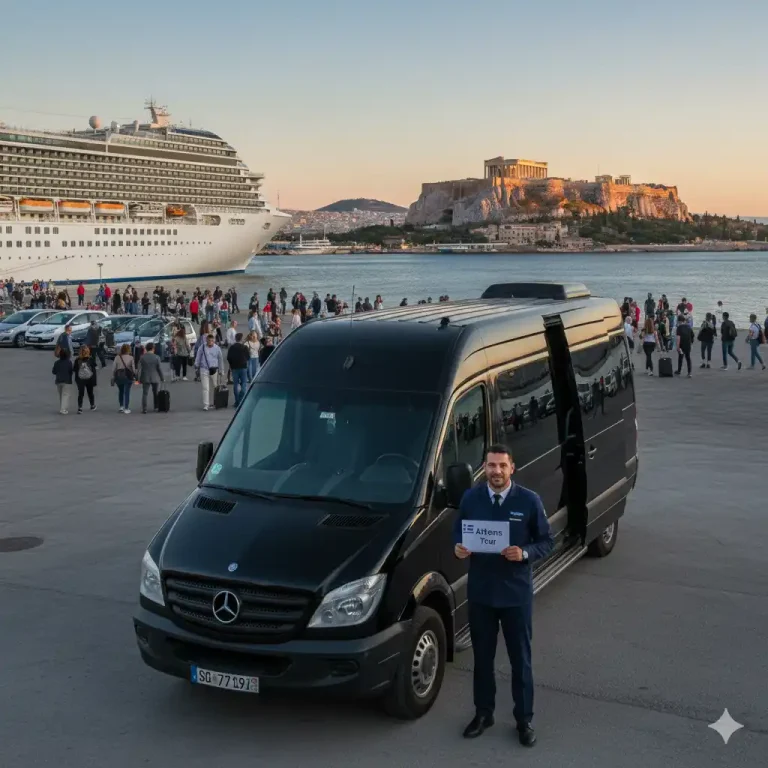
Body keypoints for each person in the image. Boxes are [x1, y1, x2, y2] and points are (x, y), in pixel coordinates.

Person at [453, 445, 553, 747]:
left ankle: (524, 720)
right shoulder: (471, 499)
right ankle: (484, 714)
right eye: (491, 465)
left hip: (515, 596)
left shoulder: (529, 501)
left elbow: (547, 541)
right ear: (484, 467)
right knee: (482, 660)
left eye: (502, 466)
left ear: (512, 468)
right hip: (482, 594)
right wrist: (458, 548)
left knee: (520, 660)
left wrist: (524, 552)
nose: (496, 471)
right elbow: (458, 533)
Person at [195, 334, 223, 411]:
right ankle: (206, 405)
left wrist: (221, 371)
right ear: (206, 340)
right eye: (209, 340)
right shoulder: (202, 347)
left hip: (214, 369)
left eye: (212, 340)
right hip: (204, 369)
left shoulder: (217, 348)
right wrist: (196, 365)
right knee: (205, 388)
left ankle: (216, 402)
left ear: (214, 340)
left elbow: (220, 360)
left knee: (215, 387)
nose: (210, 342)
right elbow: (198, 356)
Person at [136, 342, 165, 414]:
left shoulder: (142, 357)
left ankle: (144, 409)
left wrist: (137, 378)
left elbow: (139, 368)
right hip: (155, 377)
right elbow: (159, 368)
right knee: (155, 392)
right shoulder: (157, 357)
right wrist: (162, 377)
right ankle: (156, 407)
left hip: (145, 377)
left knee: (145, 393)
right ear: (153, 349)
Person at [112, 343, 136, 413]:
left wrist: (113, 376)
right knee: (127, 392)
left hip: (119, 376)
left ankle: (121, 406)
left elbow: (114, 368)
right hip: (128, 376)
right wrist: (135, 375)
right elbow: (133, 369)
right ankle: (126, 408)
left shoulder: (117, 357)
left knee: (121, 391)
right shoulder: (131, 358)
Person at [227, 332, 250, 407]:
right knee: (244, 383)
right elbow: (248, 357)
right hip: (243, 367)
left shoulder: (232, 347)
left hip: (234, 368)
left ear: (236, 339)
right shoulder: (245, 347)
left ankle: (237, 401)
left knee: (235, 385)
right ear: (242, 339)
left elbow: (228, 358)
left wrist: (231, 365)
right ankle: (241, 399)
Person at [73, 346, 97, 413]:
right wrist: (94, 381)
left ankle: (80, 408)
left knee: (81, 394)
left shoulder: (77, 360)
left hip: (80, 379)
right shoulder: (91, 359)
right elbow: (94, 370)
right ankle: (92, 405)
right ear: (88, 351)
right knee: (90, 393)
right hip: (89, 378)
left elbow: (74, 369)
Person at [52, 349, 73, 415]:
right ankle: (63, 409)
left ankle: (62, 407)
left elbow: (54, 371)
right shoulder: (69, 362)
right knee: (66, 395)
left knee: (61, 395)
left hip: (58, 381)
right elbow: (71, 372)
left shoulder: (57, 362)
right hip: (67, 381)